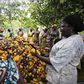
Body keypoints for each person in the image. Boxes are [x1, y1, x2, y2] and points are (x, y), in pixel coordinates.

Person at [33, 14, 84, 84]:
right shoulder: (69, 39)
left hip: (62, 78)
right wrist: (48, 47)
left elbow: (55, 62)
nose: (60, 29)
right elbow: (58, 53)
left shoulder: (72, 43)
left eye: (63, 26)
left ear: (71, 27)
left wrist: (37, 56)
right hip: (61, 75)